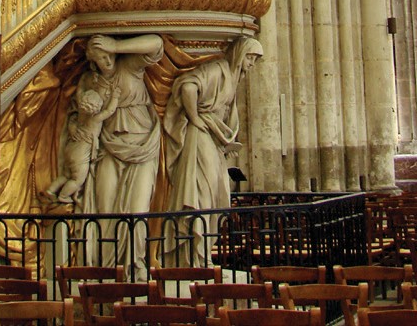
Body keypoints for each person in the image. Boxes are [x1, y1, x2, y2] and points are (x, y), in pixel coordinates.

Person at [163, 36, 263, 266]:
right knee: (202, 192)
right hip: (200, 137)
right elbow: (188, 86)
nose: (251, 64)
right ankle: (192, 255)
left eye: (254, 59)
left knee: (218, 193)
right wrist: (195, 117)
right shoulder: (217, 68)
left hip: (212, 138)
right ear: (239, 53)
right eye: (250, 57)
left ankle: (202, 253)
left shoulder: (231, 78)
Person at [73, 33, 164, 276]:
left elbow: (156, 44)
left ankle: (135, 265)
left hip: (142, 146)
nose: (107, 60)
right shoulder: (90, 82)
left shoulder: (129, 66)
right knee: (104, 208)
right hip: (109, 146)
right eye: (101, 58)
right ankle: (106, 268)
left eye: (108, 54)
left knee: (137, 210)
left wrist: (117, 45)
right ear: (93, 62)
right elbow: (82, 115)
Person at [45, 86, 119, 203]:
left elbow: (78, 96)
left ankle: (51, 190)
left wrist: (82, 83)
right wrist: (115, 96)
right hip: (80, 154)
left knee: (66, 174)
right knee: (77, 179)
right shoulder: (95, 119)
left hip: (70, 149)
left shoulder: (80, 114)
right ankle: (63, 196)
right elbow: (109, 111)